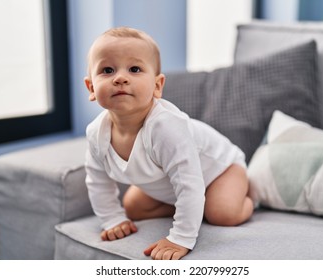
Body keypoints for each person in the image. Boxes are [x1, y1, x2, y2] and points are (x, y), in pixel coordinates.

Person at [84, 26, 254, 260]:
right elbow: (97, 180)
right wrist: (112, 218)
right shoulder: (96, 133)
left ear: (157, 86)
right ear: (91, 87)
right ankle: (195, 207)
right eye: (107, 70)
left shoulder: (166, 127)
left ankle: (251, 193)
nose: (120, 78)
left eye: (134, 69)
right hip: (170, 185)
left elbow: (189, 182)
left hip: (219, 170)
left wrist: (180, 237)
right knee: (133, 207)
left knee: (223, 213)